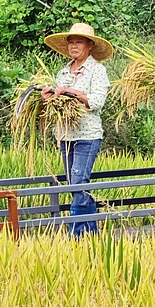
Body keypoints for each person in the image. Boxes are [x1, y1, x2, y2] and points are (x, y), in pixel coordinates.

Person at [42, 22, 113, 236]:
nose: (74, 46)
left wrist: (71, 92)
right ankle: (91, 233)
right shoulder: (63, 72)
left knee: (78, 183)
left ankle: (76, 233)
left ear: (89, 45)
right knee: (74, 182)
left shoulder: (97, 71)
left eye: (79, 42)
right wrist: (47, 98)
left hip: (87, 135)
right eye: (71, 42)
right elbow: (56, 102)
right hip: (65, 135)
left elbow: (96, 102)